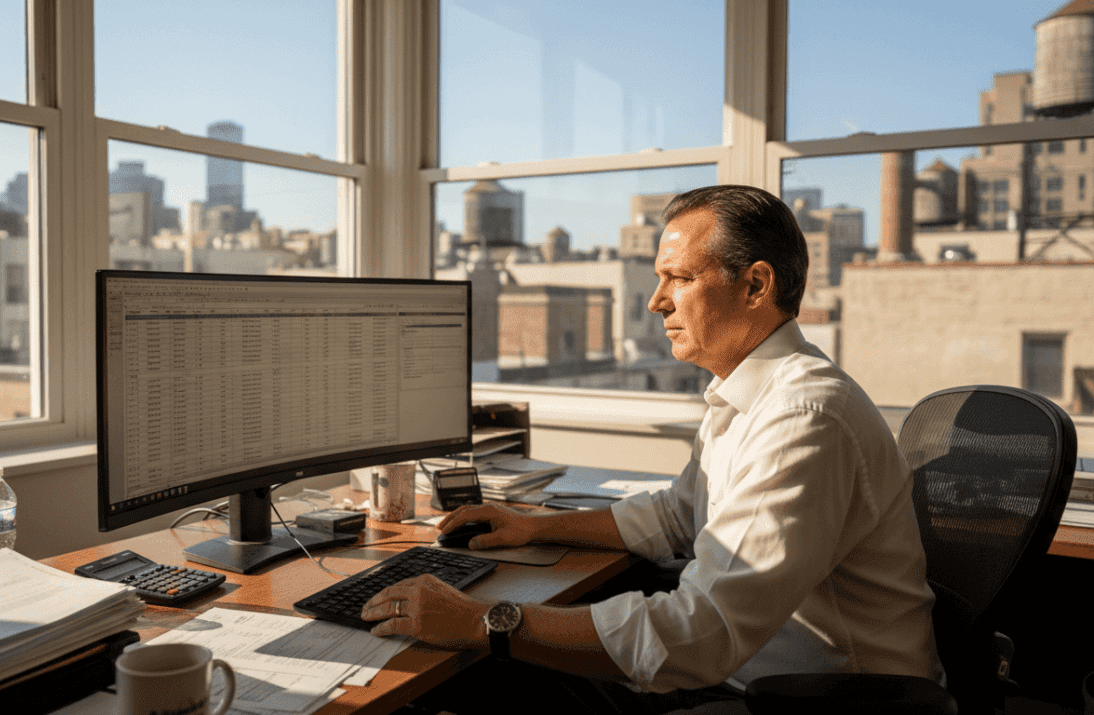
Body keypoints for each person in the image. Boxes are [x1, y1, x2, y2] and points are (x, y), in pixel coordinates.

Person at [360, 184, 943, 713]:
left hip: (821, 700)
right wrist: (532, 528)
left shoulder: (804, 417)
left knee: (480, 682)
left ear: (756, 285)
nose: (655, 302)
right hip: (747, 671)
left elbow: (703, 634)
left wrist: (482, 621)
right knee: (493, 681)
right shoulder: (746, 392)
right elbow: (679, 514)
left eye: (680, 279)